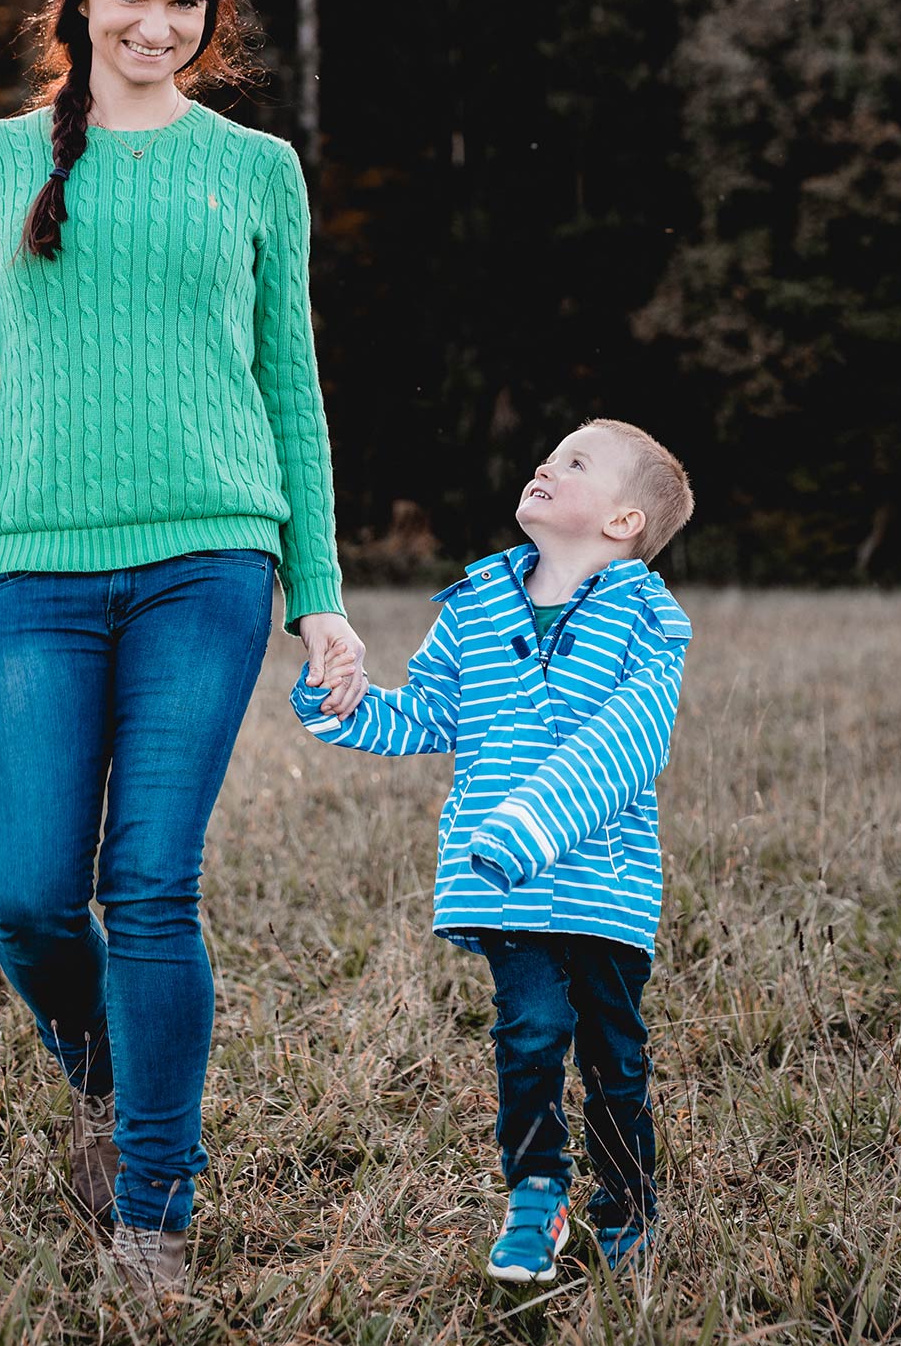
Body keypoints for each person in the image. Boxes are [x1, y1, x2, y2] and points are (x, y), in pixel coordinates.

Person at [0, 0, 366, 1302]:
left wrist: (316, 590)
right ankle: (106, 1066)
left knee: (148, 880)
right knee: (30, 900)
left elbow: (294, 389)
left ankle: (154, 1207)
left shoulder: (258, 168)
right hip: (40, 569)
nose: (155, 22)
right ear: (80, 0)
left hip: (211, 560)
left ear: (208, 17)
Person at [291, 419, 692, 1285]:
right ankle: (536, 1195)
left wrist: (531, 825)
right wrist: (343, 703)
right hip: (505, 890)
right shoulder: (477, 604)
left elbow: (634, 737)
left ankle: (626, 1208)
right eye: (550, 454)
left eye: (576, 463)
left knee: (615, 1055)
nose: (547, 465)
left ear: (624, 522)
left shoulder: (650, 619)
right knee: (530, 1033)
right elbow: (430, 714)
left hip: (604, 885)